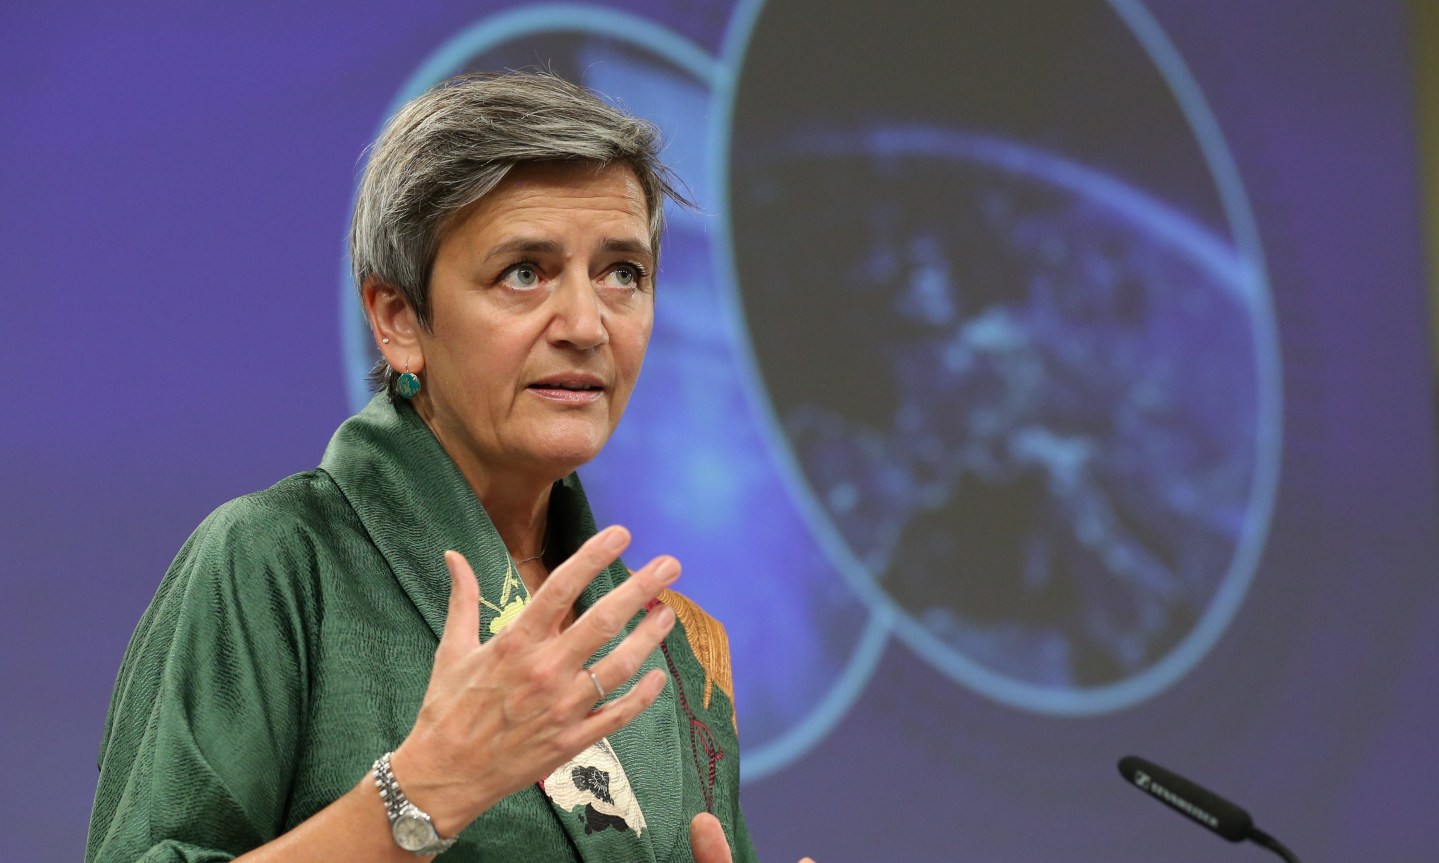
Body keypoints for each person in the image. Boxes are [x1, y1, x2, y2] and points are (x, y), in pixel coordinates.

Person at [87, 71, 806, 863]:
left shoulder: (678, 648)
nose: (586, 323)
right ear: (398, 319)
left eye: (622, 273)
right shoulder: (273, 561)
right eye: (523, 272)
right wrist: (425, 792)